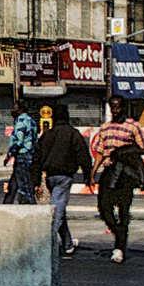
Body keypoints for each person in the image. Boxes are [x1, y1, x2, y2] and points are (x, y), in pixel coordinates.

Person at [91, 96, 144, 264]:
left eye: (118, 107)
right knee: (104, 208)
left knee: (124, 211)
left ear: (123, 107)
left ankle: (119, 247)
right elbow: (101, 152)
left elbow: (142, 148)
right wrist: (93, 173)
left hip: (125, 173)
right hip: (109, 171)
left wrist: (123, 151)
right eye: (113, 107)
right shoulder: (105, 128)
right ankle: (119, 233)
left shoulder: (133, 126)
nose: (115, 110)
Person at [33, 105, 92, 256]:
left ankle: (67, 244)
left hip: (50, 176)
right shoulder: (73, 134)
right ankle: (47, 243)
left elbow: (36, 158)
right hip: (65, 177)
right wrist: (87, 174)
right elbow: (83, 155)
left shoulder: (47, 135)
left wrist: (35, 180)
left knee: (58, 209)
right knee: (57, 211)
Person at [2, 102, 37, 204]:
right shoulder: (32, 121)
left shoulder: (21, 121)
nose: (12, 110)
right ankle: (7, 205)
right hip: (30, 155)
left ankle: (29, 207)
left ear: (21, 109)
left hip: (23, 155)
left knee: (24, 186)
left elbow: (19, 141)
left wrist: (9, 155)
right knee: (14, 184)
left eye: (15, 108)